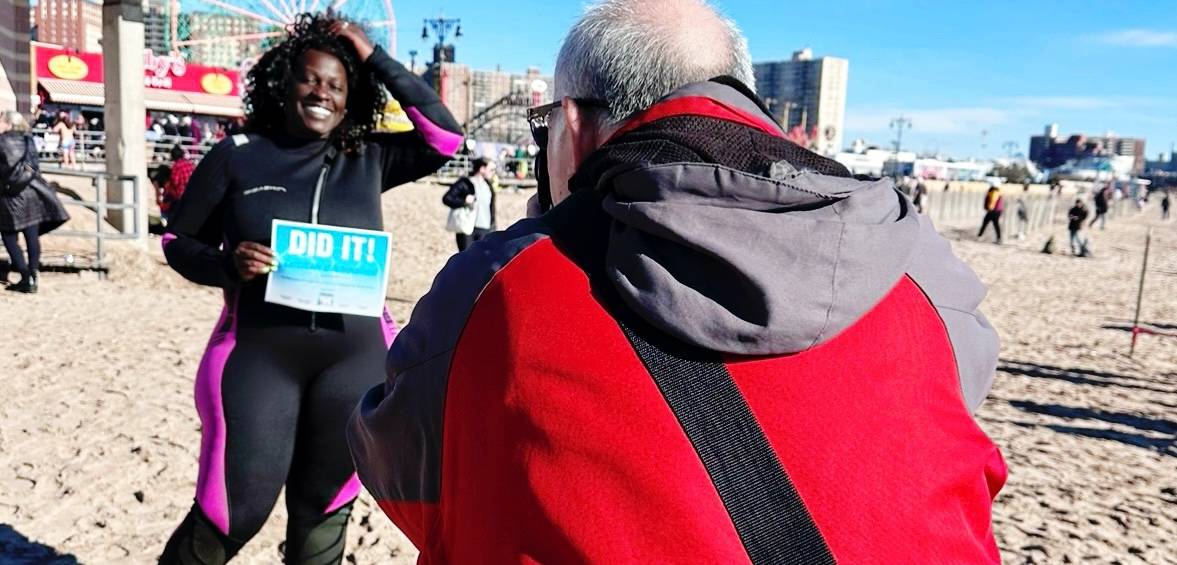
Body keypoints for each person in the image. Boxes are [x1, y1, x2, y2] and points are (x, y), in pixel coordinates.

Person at [347, 1, 1006, 562]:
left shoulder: (501, 284)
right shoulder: (918, 260)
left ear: (571, 125)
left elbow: (403, 472)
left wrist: (530, 250)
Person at [158, 13, 461, 564]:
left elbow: (445, 135)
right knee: (234, 511)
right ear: (284, 84)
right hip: (258, 356)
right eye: (310, 79)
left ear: (351, 100)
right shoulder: (239, 154)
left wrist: (371, 55)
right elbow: (176, 241)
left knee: (322, 514)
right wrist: (227, 266)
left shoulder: (369, 156)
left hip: (354, 362)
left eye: (337, 85)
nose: (322, 91)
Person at [0, 111, 69, 293]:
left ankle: (24, 276)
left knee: (8, 235)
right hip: (30, 191)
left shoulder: (0, 141)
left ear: (7, 124)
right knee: (31, 235)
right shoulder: (28, 139)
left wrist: (8, 184)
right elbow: (34, 166)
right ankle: (33, 275)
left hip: (9, 195)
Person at [442, 157, 497, 251]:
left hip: (485, 229)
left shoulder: (488, 185)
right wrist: (464, 201)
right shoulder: (465, 183)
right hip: (467, 229)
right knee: (467, 261)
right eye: (491, 170)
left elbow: (491, 208)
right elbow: (447, 198)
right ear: (482, 169)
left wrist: (493, 227)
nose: (493, 173)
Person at [159, 144, 195, 223]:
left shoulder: (176, 166)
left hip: (180, 194)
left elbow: (175, 182)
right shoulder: (190, 164)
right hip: (192, 193)